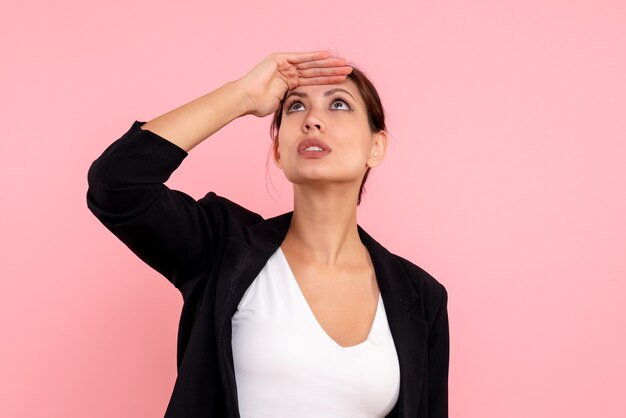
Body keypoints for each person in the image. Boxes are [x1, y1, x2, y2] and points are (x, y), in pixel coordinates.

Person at [87, 50, 449, 418]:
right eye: (295, 107)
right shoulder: (222, 248)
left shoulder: (421, 297)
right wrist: (242, 96)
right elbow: (116, 184)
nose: (313, 121)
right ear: (278, 150)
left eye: (338, 104)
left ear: (377, 146)